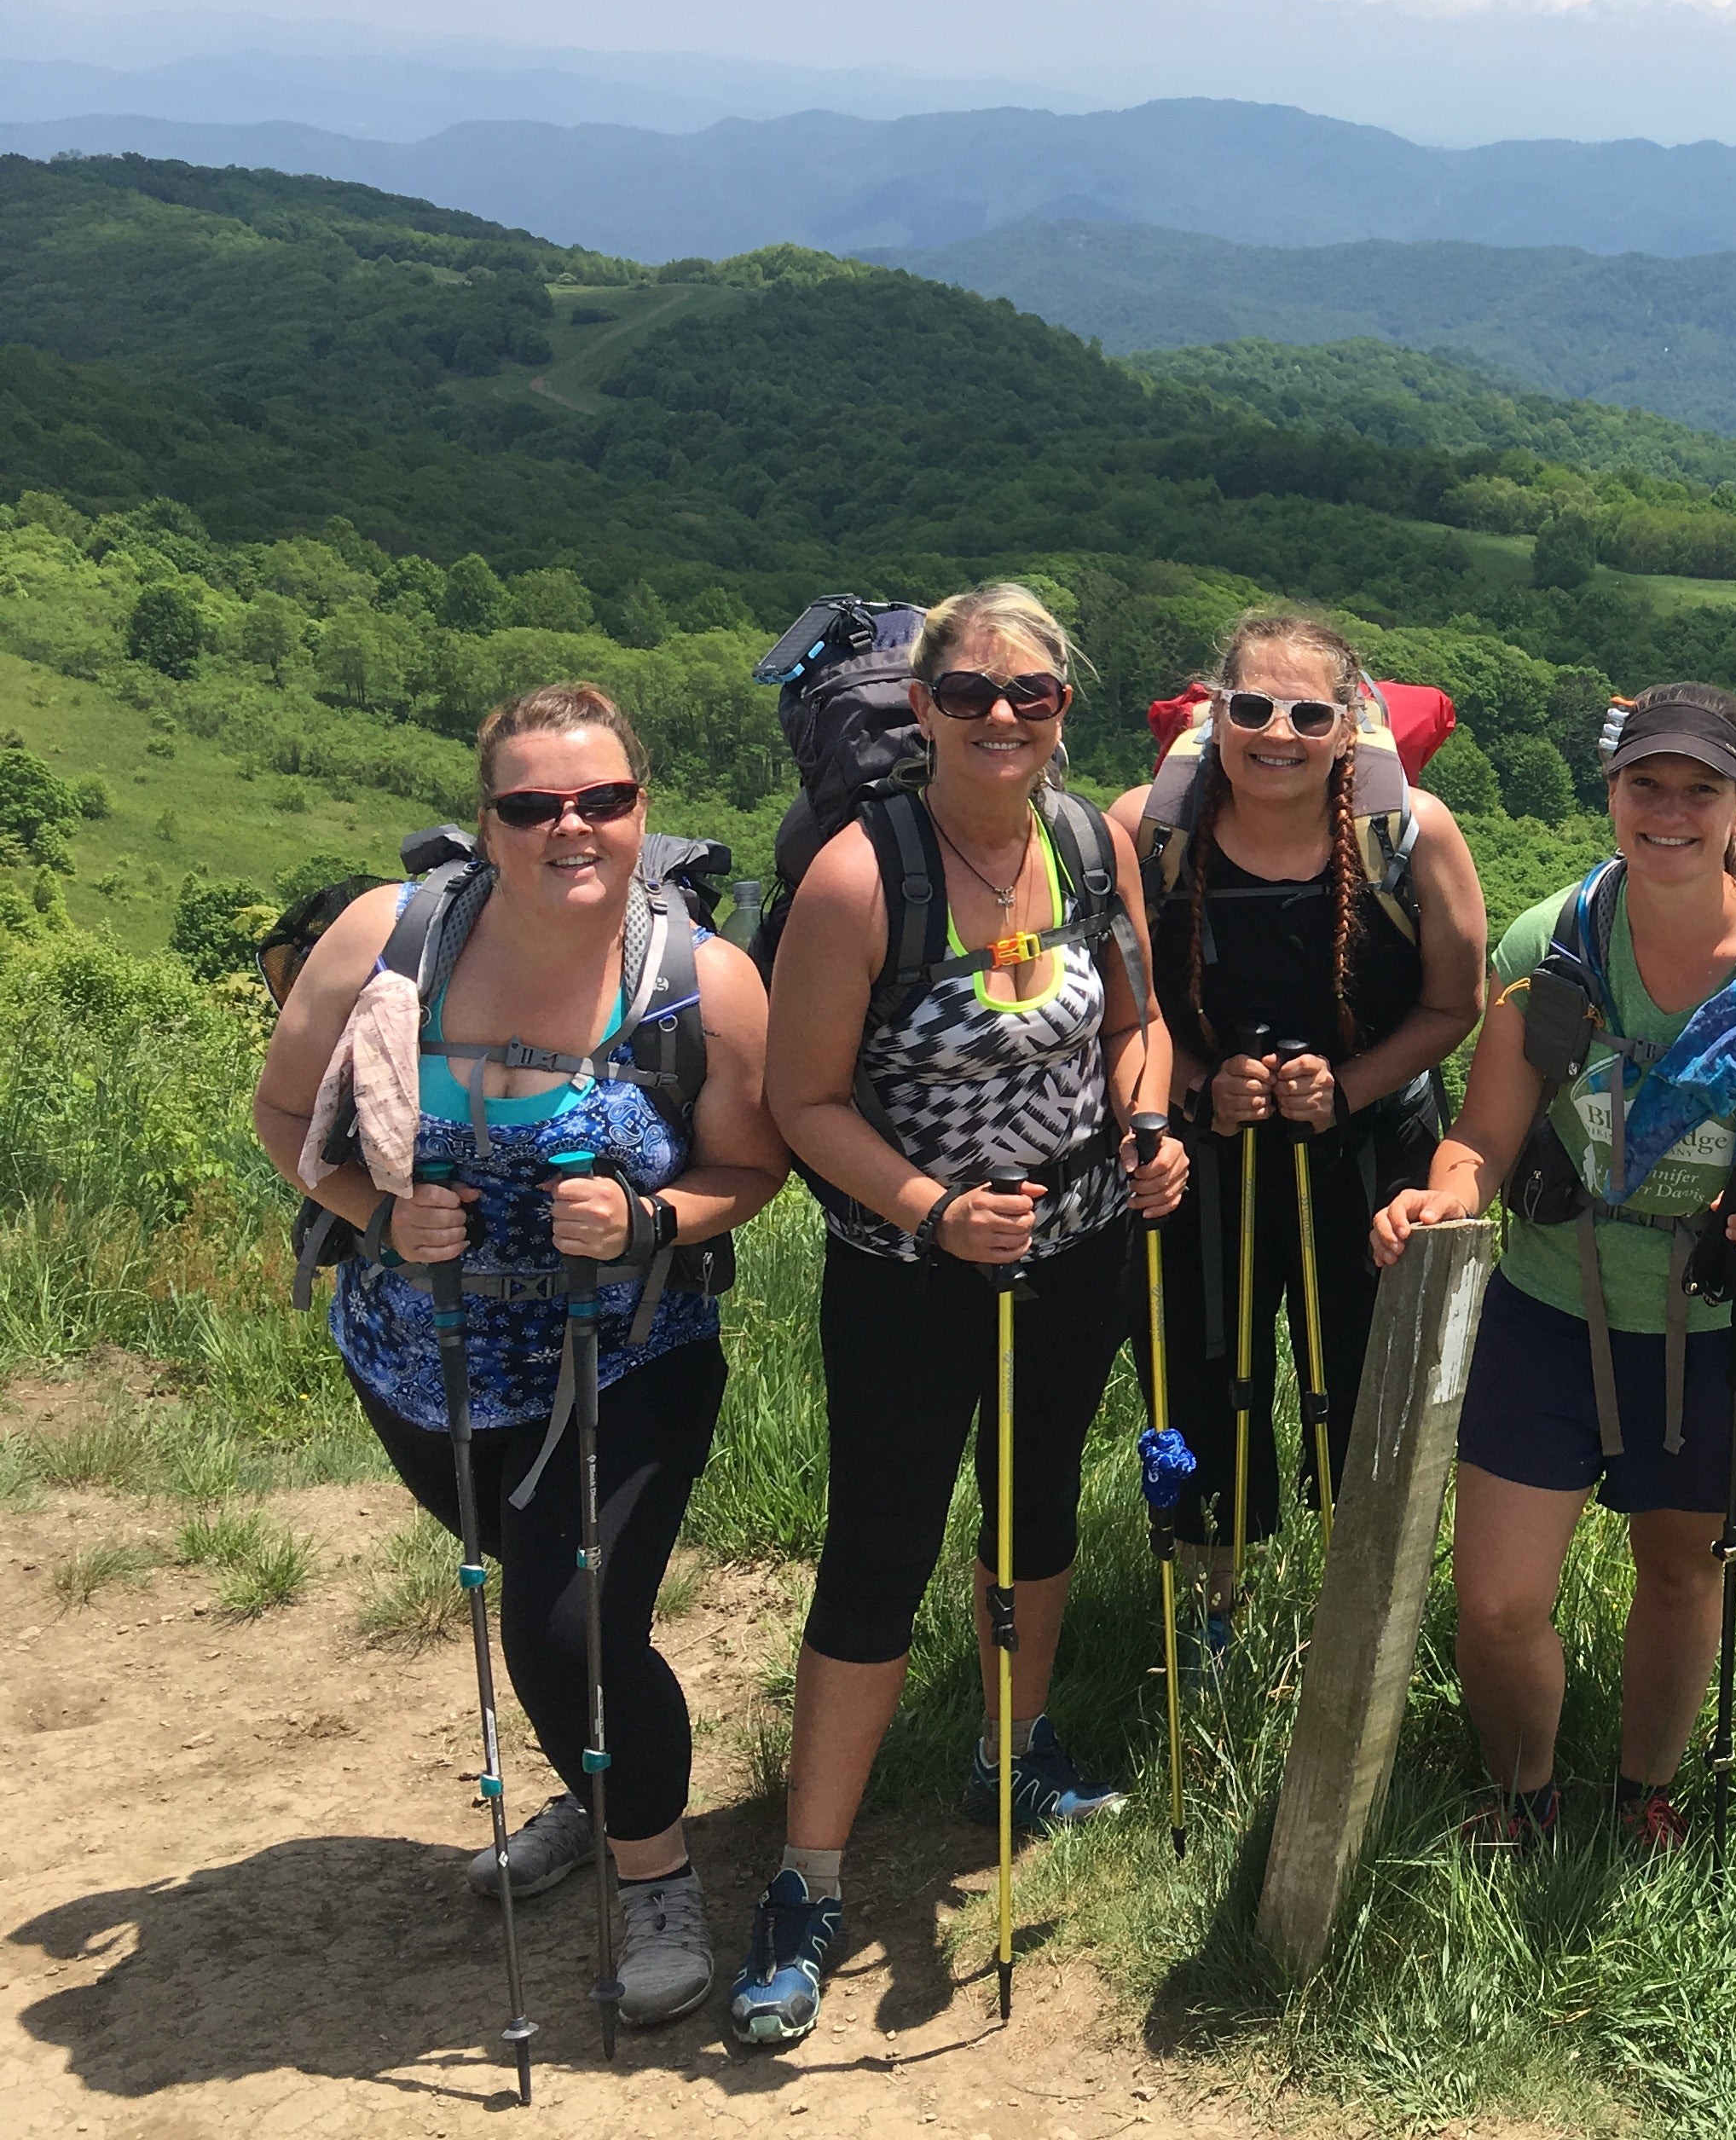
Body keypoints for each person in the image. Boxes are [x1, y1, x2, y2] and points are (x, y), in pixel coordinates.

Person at [252, 681, 786, 2030]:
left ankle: (655, 1880)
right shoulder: (391, 939)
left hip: (631, 1358)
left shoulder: (699, 984)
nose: (572, 826)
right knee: (544, 1613)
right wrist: (377, 1213)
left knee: (573, 1620)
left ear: (641, 811)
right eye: (532, 804)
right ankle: (592, 1782)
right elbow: (282, 1111)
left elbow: (755, 1161)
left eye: (604, 800)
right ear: (484, 822)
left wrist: (651, 1217)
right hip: (416, 1360)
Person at [732, 583, 1189, 2050]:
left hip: (1077, 1238)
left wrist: (1148, 1122)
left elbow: (1138, 1021)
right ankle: (806, 1873)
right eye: (973, 692)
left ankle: (1016, 1746)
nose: (1004, 715)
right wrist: (932, 1206)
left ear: (1067, 709)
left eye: (1034, 693)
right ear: (920, 705)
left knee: (1036, 1499)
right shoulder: (863, 880)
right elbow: (796, 1099)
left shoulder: (1086, 841)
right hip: (907, 1268)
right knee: (880, 1540)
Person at [1371, 683, 1736, 1851]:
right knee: (1496, 1605)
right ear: (1612, 793)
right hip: (1550, 1305)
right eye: (1647, 785)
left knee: (1683, 1573)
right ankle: (1524, 1792)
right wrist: (1438, 1202)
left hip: (1722, 1321)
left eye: (1700, 791)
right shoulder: (1553, 948)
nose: (1670, 811)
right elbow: (1481, 1137)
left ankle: (1644, 1791)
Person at [1112, 614, 1486, 1648]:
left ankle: (1358, 1610)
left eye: (1309, 713)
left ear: (1347, 725)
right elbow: (1115, 1001)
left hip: (1372, 1167)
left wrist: (1349, 1086)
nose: (1277, 733)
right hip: (1201, 1164)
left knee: (1374, 1379)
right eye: (1252, 708)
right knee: (1198, 1372)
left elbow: (1460, 1002)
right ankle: (1212, 1607)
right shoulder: (1147, 828)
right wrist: (1193, 1081)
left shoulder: (1413, 835)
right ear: (1215, 711)